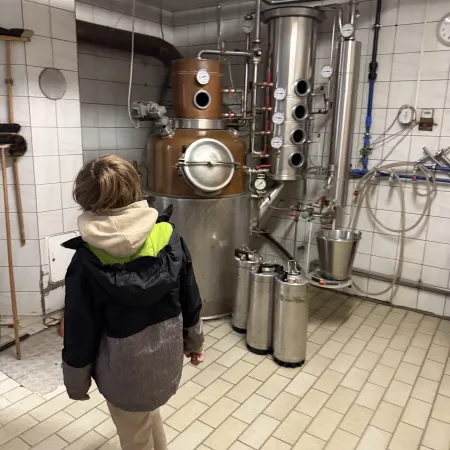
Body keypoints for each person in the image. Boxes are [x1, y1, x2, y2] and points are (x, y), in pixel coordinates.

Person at [61, 155, 204, 450]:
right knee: (148, 415)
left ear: (85, 198)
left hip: (122, 373)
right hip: (164, 362)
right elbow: (190, 296)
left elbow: (79, 329)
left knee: (134, 435)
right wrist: (195, 342)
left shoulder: (87, 259)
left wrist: (76, 381)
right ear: (135, 189)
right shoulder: (167, 236)